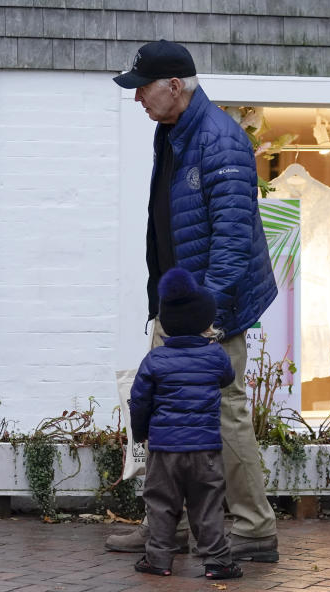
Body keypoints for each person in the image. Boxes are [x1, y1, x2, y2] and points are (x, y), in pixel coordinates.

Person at [108, 40, 280, 563]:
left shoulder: (219, 140)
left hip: (207, 310)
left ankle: (253, 528)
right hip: (181, 303)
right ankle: (165, 526)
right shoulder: (174, 132)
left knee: (224, 413)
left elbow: (231, 240)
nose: (137, 98)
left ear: (175, 86)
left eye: (143, 88)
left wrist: (209, 316)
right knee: (168, 413)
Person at [129, 267, 242, 580]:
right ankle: (217, 562)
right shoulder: (215, 356)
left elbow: (139, 401)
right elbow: (227, 379)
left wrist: (141, 433)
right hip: (205, 448)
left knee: (162, 504)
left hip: (165, 450)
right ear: (205, 323)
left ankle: (158, 560)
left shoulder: (155, 359)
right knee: (207, 505)